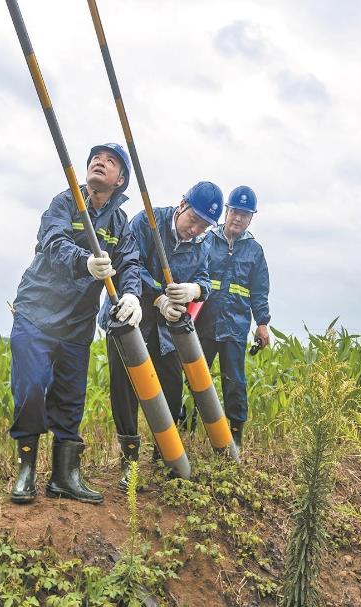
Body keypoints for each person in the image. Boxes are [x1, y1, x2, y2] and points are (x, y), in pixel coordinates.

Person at [8, 143, 143, 505]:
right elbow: (52, 243)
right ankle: (26, 471)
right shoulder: (65, 203)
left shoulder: (119, 223)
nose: (100, 161)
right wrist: (85, 261)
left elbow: (130, 264)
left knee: (70, 400)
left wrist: (131, 295)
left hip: (77, 324)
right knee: (32, 388)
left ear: (121, 180)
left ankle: (65, 477)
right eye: (95, 158)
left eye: (110, 161)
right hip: (37, 313)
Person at [101, 181, 223, 490]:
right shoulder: (147, 222)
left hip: (167, 331)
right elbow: (130, 265)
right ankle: (129, 460)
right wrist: (158, 297)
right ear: (182, 204)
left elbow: (205, 280)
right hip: (131, 316)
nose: (195, 229)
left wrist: (195, 290)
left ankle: (163, 456)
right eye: (193, 219)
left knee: (170, 386)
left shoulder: (203, 243)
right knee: (125, 388)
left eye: (204, 226)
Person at [194, 185, 270, 448]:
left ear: (251, 219)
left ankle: (235, 436)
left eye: (245, 214)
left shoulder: (255, 251)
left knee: (235, 383)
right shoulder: (206, 240)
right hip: (201, 325)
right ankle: (187, 430)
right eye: (235, 211)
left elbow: (259, 291)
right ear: (226, 211)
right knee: (194, 378)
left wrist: (262, 324)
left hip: (235, 329)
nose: (238, 218)